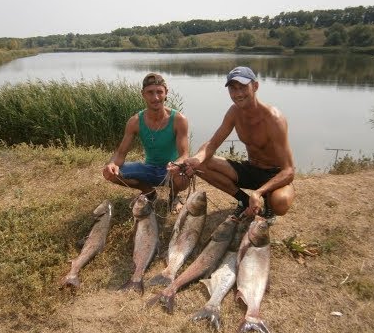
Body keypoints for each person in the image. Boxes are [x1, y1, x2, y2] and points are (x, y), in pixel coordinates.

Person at [175, 66, 295, 221]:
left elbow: (289, 171)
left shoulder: (274, 119)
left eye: (243, 87)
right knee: (202, 163)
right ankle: (244, 201)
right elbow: (212, 143)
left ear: (255, 86)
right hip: (250, 168)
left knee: (281, 202)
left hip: (274, 174)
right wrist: (196, 159)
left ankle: (268, 202)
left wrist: (258, 192)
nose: (238, 94)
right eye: (233, 89)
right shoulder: (234, 112)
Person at [102, 72, 189, 212]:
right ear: (143, 94)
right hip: (148, 169)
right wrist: (112, 164)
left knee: (183, 177)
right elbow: (121, 152)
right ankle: (149, 192)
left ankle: (174, 197)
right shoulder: (135, 121)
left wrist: (177, 164)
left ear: (166, 93)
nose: (155, 97)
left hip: (170, 171)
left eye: (159, 92)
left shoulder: (179, 120)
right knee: (112, 174)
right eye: (150, 92)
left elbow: (184, 154)